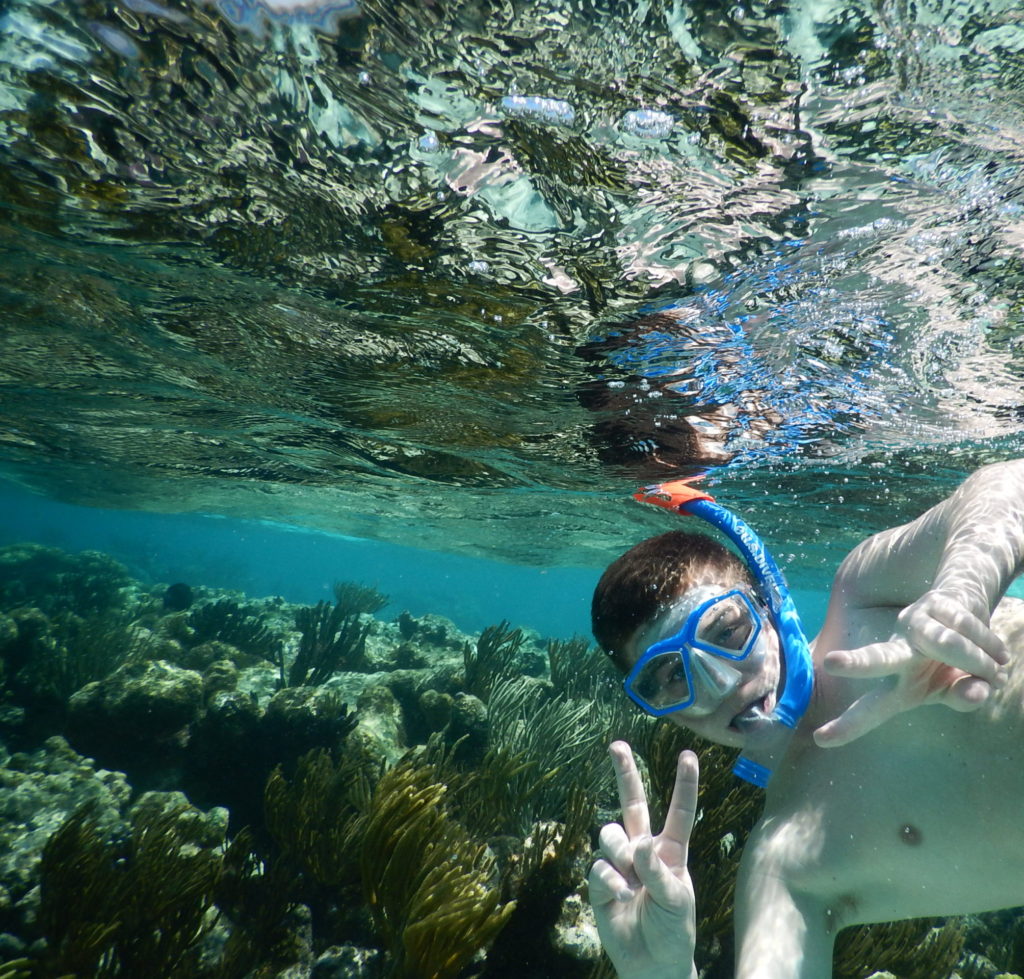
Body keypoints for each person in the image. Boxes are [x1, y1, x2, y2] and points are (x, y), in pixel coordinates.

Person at [587, 458, 1024, 979]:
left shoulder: (865, 600)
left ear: (770, 608)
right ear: (664, 714)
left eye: (726, 632)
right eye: (672, 678)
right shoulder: (784, 866)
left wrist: (964, 590)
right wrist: (663, 975)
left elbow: (1008, 483)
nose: (723, 684)